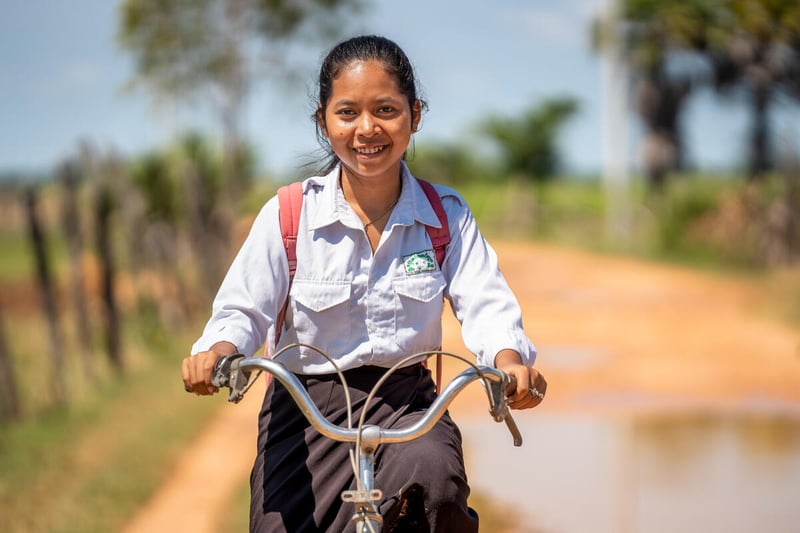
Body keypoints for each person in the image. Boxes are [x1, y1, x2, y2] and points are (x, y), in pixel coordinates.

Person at [182, 34, 546, 532]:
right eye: (347, 112)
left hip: (407, 405)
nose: (367, 129)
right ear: (323, 121)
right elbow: (243, 309)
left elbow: (486, 304)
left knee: (437, 484)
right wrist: (218, 352)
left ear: (415, 116)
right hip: (306, 410)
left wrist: (508, 363)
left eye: (387, 110)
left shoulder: (445, 217)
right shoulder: (290, 214)